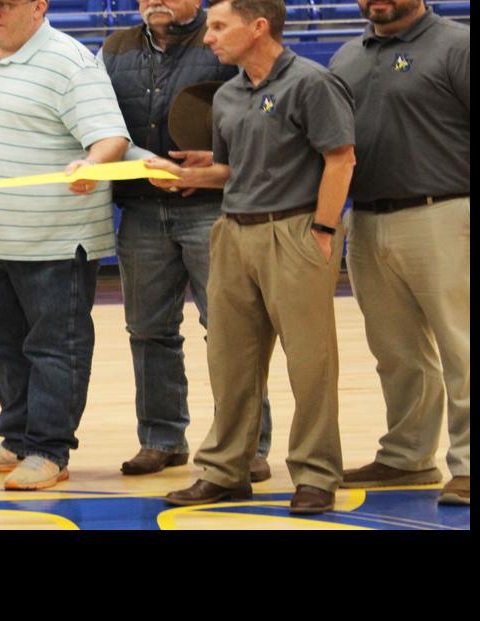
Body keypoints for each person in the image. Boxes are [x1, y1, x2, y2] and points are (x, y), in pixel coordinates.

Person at [148, 0, 355, 515]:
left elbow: (340, 158)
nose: (208, 37)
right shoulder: (228, 94)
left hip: (296, 230)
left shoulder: (311, 83)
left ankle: (315, 474)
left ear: (258, 27)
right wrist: (193, 176)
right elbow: (228, 169)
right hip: (233, 233)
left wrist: (324, 230)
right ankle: (226, 470)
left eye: (219, 27)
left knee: (310, 364)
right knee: (230, 361)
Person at [0, 0, 131, 490]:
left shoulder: (71, 61)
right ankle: (18, 437)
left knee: (55, 347)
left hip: (54, 238)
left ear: (39, 6)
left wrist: (92, 165)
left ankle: (49, 449)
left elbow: (111, 138)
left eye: (4, 4)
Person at [101, 0, 274, 482]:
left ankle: (246, 444)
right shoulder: (115, 47)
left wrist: (217, 164)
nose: (153, 2)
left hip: (212, 207)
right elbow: (101, 120)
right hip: (140, 209)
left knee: (231, 330)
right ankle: (161, 439)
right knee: (148, 330)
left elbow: (259, 115)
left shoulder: (223, 38)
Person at [329, 0, 469, 505]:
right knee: (396, 351)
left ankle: (470, 464)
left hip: (445, 211)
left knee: (462, 347)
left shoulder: (457, 44)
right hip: (365, 217)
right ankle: (408, 456)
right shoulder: (347, 55)